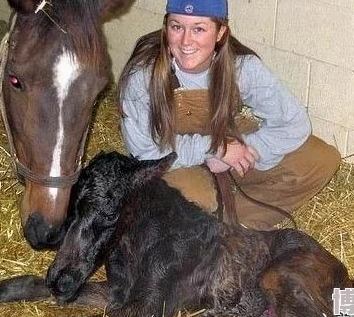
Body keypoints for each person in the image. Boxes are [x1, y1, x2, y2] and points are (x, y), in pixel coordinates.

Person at [118, 0, 341, 230]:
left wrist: (242, 149)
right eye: (177, 27)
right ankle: (195, 230)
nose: (186, 41)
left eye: (199, 29)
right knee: (194, 197)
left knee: (320, 160)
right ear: (166, 28)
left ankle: (232, 227)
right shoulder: (143, 76)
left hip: (227, 137)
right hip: (173, 156)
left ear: (220, 32)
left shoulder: (242, 67)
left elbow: (294, 123)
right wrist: (215, 149)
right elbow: (145, 154)